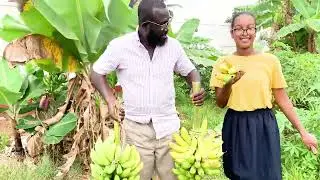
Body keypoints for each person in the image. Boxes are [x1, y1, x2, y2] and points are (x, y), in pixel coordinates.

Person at [90, 0, 205, 179]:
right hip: (136, 129)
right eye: (162, 24)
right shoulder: (120, 46)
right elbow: (97, 73)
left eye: (168, 21)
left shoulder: (173, 46)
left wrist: (195, 87)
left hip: (168, 128)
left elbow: (190, 71)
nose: (167, 27)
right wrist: (111, 100)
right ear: (145, 25)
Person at [210, 12, 318, 180]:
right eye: (239, 28)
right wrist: (229, 83)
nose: (244, 32)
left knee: (268, 174)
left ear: (255, 31)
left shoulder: (270, 61)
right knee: (239, 174)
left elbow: (283, 100)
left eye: (249, 28)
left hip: (263, 124)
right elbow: (220, 103)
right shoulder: (223, 63)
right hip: (236, 124)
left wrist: (303, 133)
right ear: (232, 33)